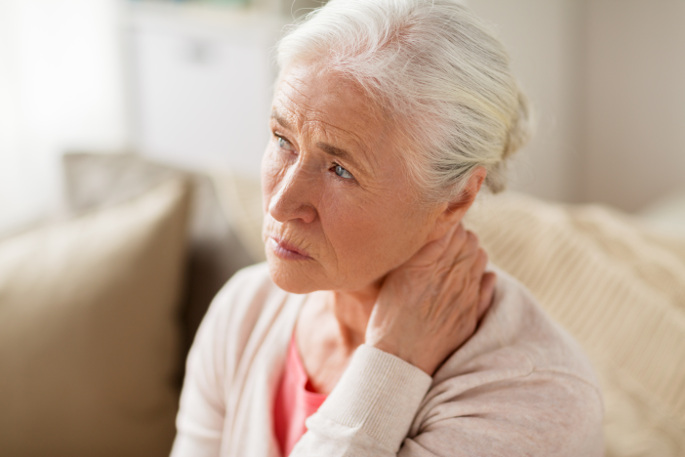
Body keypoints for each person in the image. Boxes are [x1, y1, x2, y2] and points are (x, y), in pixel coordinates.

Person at [170, 0, 604, 455]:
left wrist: (389, 367)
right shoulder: (244, 310)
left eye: (340, 169)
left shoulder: (534, 402)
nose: (281, 204)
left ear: (455, 198)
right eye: (283, 140)